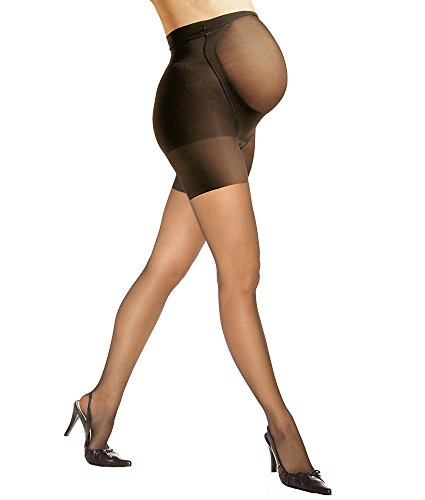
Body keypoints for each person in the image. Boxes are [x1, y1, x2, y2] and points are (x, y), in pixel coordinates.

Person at [64, 0, 332, 494]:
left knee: (164, 267)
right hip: (198, 99)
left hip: (232, 110)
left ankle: (99, 403)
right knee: (240, 278)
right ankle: (284, 432)